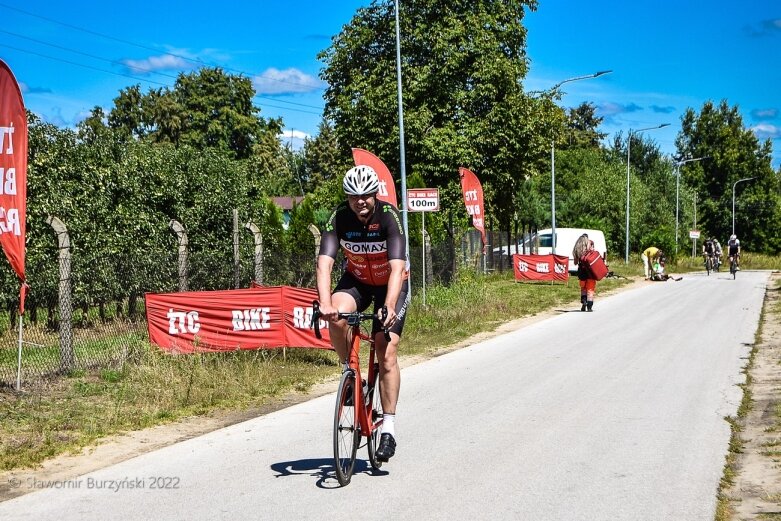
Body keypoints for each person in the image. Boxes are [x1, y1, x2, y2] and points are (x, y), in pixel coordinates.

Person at [316, 165, 409, 463]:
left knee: (386, 349)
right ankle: (351, 374)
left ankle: (389, 430)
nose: (361, 202)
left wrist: (390, 306)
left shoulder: (389, 217)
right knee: (337, 314)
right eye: (354, 197)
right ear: (347, 198)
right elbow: (325, 264)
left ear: (374, 195)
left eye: (366, 196)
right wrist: (325, 304)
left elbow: (397, 268)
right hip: (357, 281)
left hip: (391, 286)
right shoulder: (339, 218)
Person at [572, 234, 597, 311]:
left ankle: (584, 302)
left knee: (583, 288)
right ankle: (589, 307)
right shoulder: (590, 246)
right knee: (590, 288)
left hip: (582, 271)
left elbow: (575, 263)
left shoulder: (577, 248)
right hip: (590, 271)